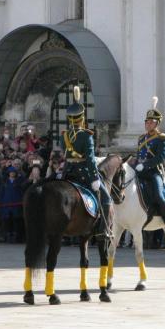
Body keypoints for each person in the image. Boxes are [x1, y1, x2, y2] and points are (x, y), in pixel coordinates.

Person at [60, 86, 110, 238]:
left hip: (68, 172)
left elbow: (65, 154)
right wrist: (94, 178)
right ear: (82, 118)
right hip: (83, 173)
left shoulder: (64, 135)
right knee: (106, 198)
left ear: (70, 118)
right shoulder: (86, 136)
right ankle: (104, 230)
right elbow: (89, 159)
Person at [135, 96, 165, 235]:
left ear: (157, 123)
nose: (148, 124)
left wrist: (145, 165)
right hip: (139, 171)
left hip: (153, 172)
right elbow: (139, 155)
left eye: (151, 122)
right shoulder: (141, 138)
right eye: (147, 122)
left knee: (158, 195)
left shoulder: (162, 138)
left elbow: (160, 158)